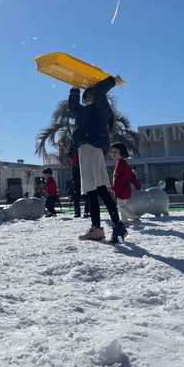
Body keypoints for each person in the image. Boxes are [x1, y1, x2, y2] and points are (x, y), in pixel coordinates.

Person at [69, 74, 127, 244]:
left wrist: (114, 81)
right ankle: (97, 229)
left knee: (100, 188)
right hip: (85, 149)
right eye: (85, 96)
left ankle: (118, 226)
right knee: (93, 190)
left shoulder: (101, 108)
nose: (86, 98)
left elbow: (101, 90)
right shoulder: (83, 111)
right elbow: (73, 106)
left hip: (92, 147)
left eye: (89, 95)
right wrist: (74, 89)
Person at [110, 142, 142, 228]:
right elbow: (131, 176)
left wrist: (114, 188)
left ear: (122, 152)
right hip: (122, 189)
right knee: (122, 206)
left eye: (116, 151)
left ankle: (135, 219)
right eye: (112, 151)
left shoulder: (122, 164)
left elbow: (120, 179)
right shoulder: (121, 163)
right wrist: (137, 185)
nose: (113, 153)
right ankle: (125, 223)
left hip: (122, 189)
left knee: (121, 206)